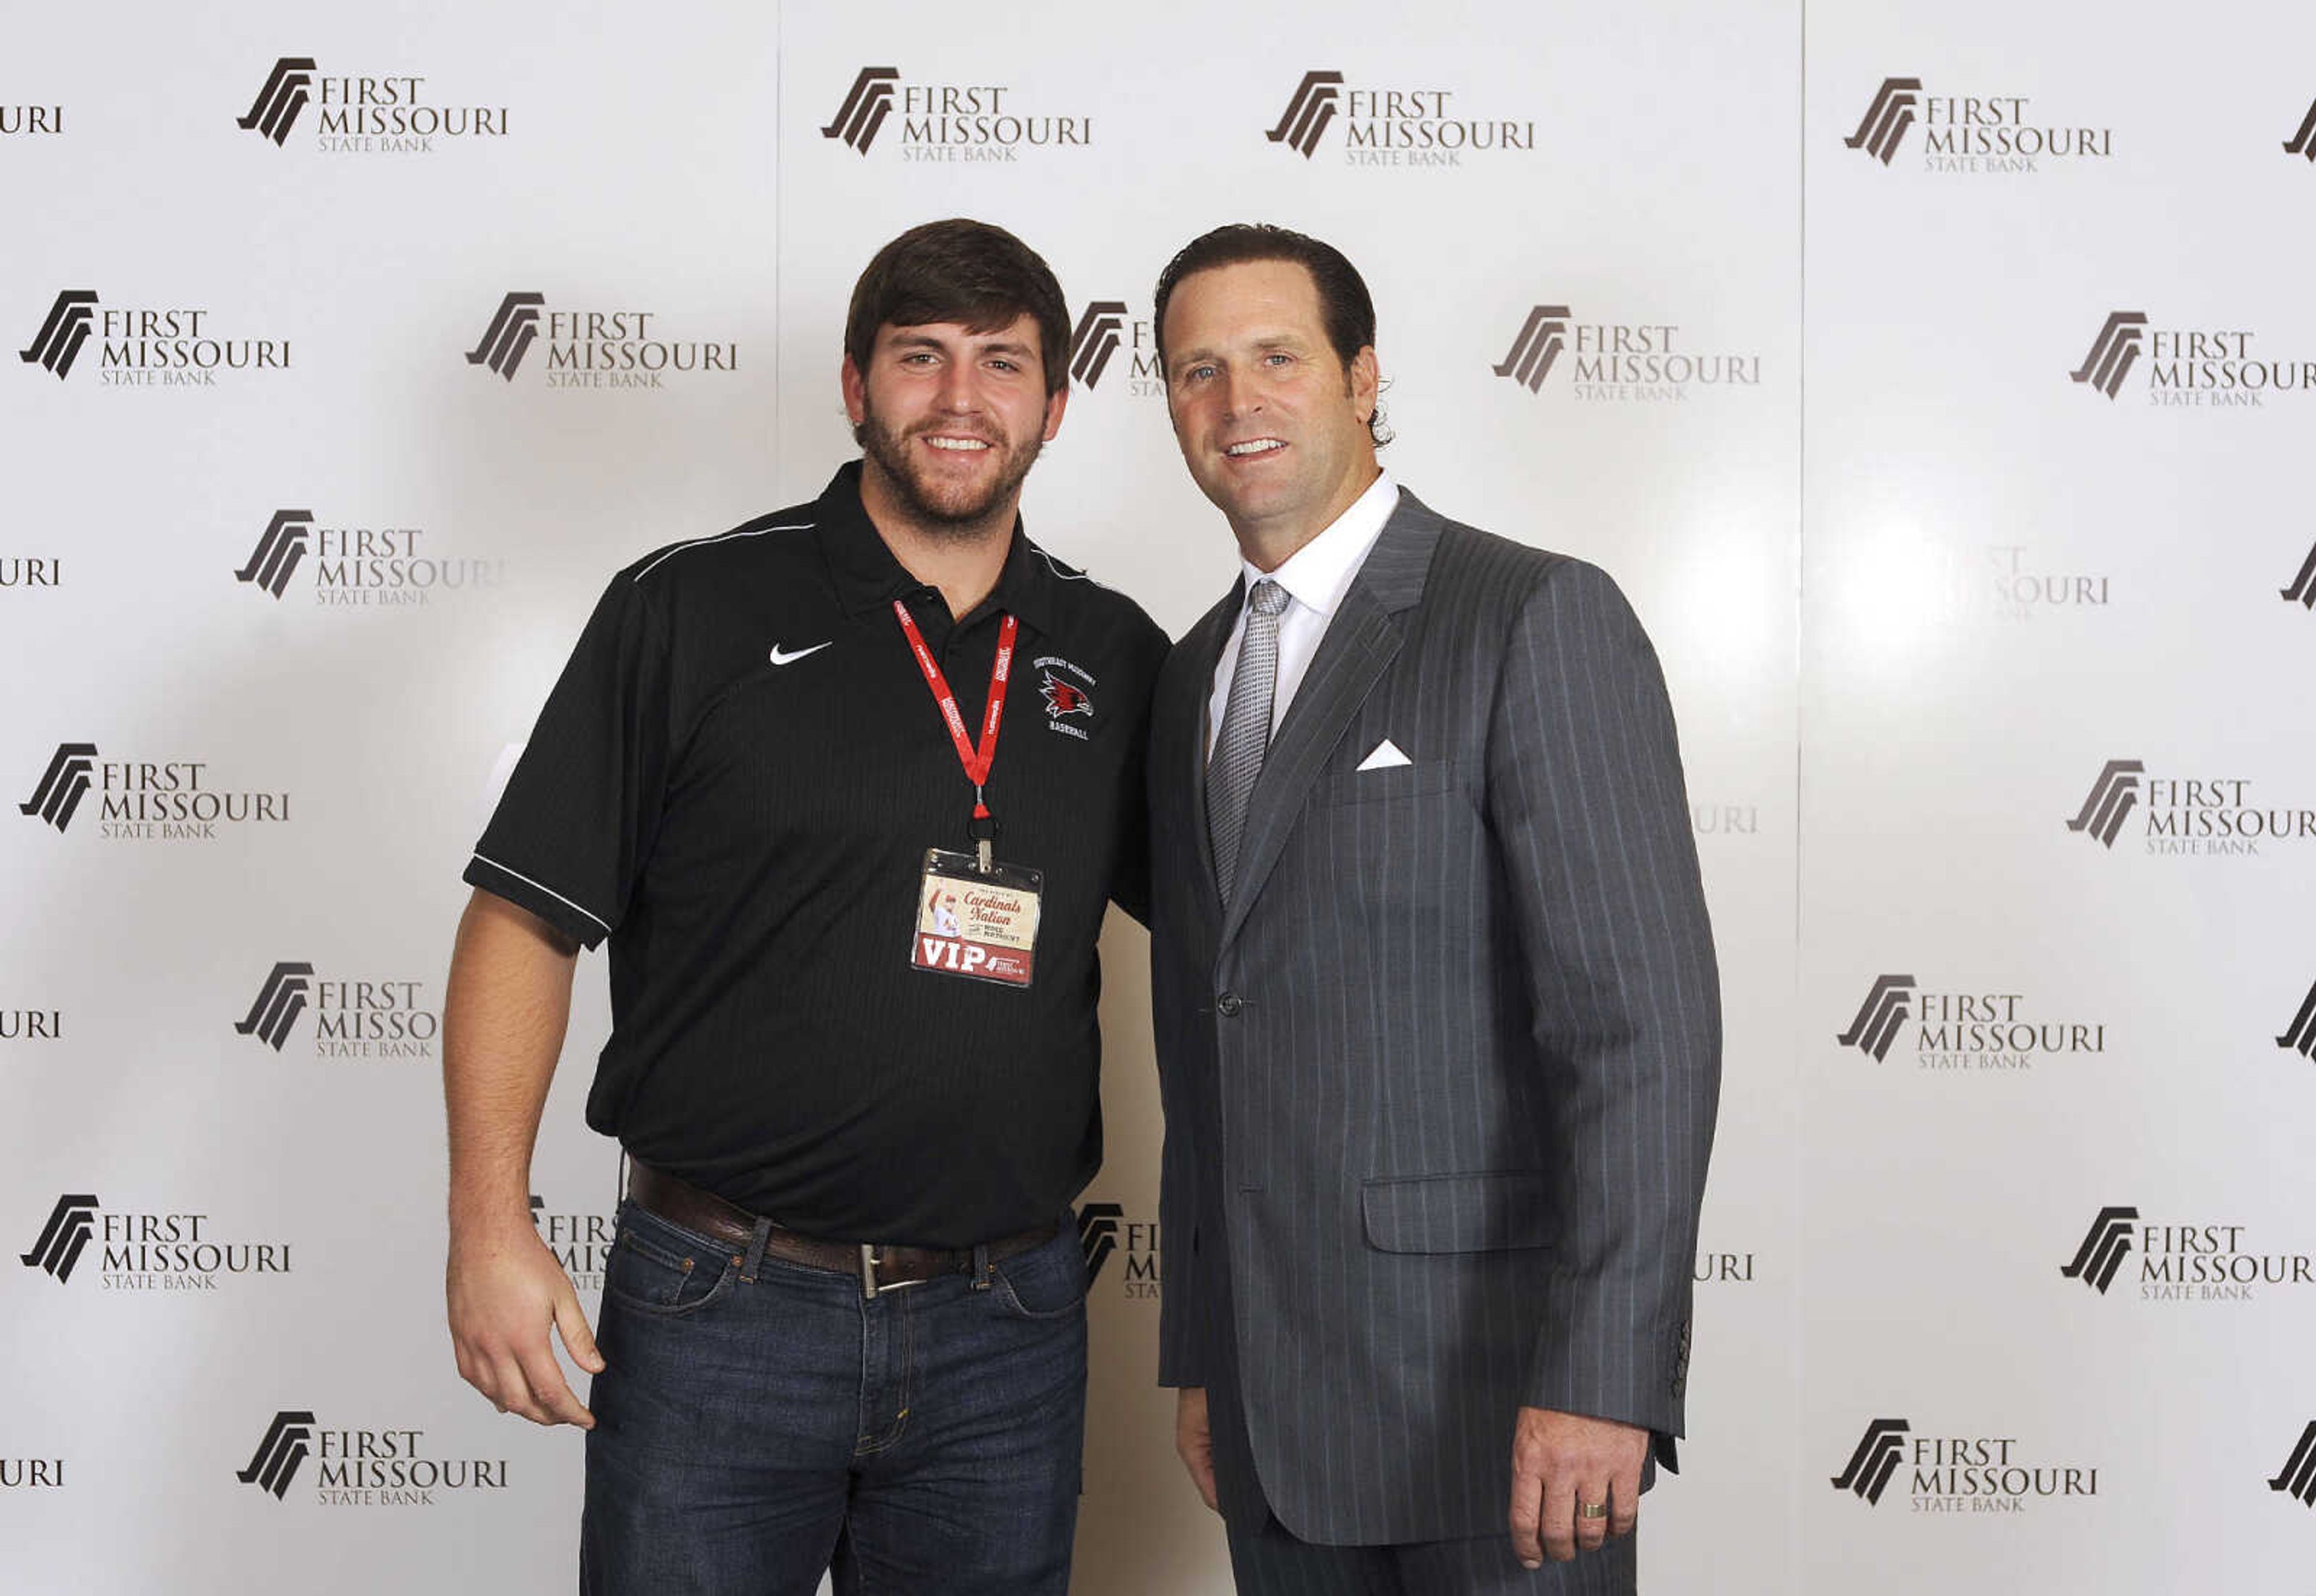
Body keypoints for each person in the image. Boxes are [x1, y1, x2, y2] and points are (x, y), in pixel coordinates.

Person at [440, 218, 1168, 1595]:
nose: (962, 400)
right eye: (920, 357)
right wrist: (489, 1223)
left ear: (1058, 405)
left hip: (1006, 1326)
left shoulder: (1115, 655)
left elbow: (1247, 938)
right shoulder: (691, 607)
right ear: (854, 385)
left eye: (1003, 362)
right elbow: (523, 919)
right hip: (723, 1306)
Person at [1144, 223, 1721, 1594]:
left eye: (1277, 357)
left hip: (1499, 1411)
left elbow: (1642, 1032)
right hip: (1274, 1416)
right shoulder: (1191, 679)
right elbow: (1204, 1036)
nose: (1238, 403)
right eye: (1197, 371)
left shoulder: (1533, 616)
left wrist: (1606, 1374)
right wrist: (1204, 1355)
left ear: (1363, 376)